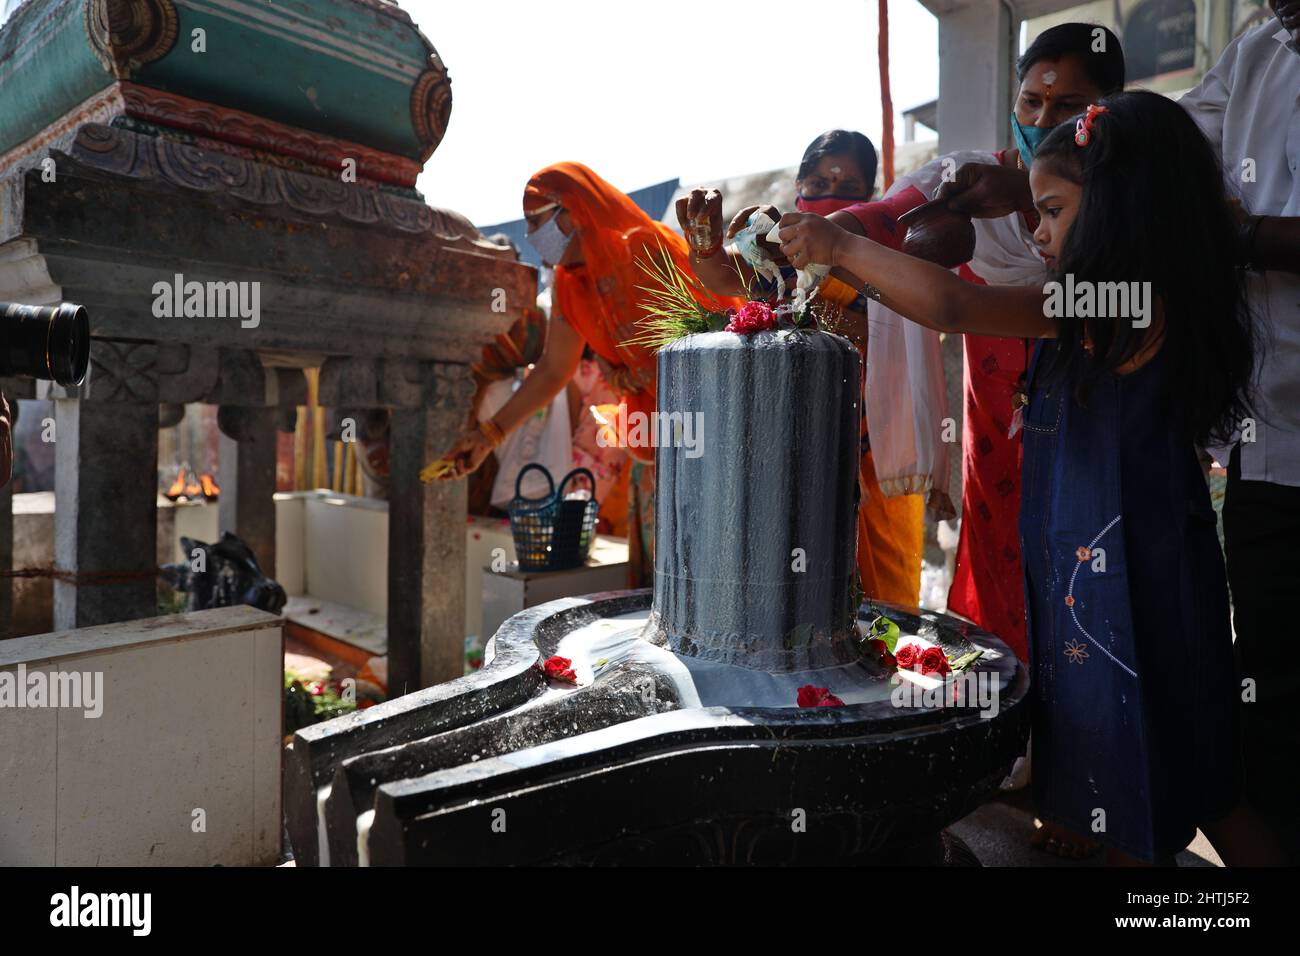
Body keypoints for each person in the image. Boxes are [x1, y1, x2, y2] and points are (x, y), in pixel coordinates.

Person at [776, 90, 1281, 866]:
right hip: (1092, 589)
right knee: (1154, 764)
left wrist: (841, 249)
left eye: (1051, 211)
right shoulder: (1107, 301)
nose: (1036, 231)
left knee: (1195, 775)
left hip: (1141, 593)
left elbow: (952, 304)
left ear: (1120, 209)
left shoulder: (1121, 300)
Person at [443, 162, 737, 586]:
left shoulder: (643, 246)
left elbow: (713, 329)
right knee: (657, 580)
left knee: (709, 570)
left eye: (535, 221)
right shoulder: (567, 282)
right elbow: (553, 370)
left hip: (708, 433)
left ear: (570, 210)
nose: (530, 236)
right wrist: (488, 436)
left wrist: (643, 367)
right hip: (649, 441)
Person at [678, 130, 930, 608]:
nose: (830, 191)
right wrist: (705, 244)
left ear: (871, 196)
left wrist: (832, 302)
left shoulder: (883, 253)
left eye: (849, 185)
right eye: (817, 182)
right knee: (795, 590)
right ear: (797, 188)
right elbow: (722, 275)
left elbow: (901, 331)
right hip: (793, 444)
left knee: (883, 601)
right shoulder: (780, 250)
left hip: (874, 445)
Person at [1178, 1, 1300, 862]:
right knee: (1274, 691)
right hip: (1273, 446)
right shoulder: (1262, 43)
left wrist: (1238, 237)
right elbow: (1165, 141)